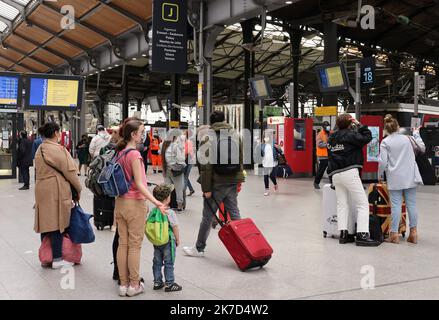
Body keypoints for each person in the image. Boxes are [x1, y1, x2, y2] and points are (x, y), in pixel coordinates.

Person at [114, 117, 167, 297]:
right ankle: (134, 285)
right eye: (142, 133)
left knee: (123, 243)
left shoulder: (120, 153)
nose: (143, 136)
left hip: (120, 202)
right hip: (134, 204)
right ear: (134, 135)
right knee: (135, 245)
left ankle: (123, 284)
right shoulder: (135, 155)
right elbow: (139, 184)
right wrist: (156, 202)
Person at [183, 111, 245, 257]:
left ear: (211, 123)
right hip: (232, 180)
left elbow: (206, 167)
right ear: (225, 120)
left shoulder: (208, 138)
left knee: (207, 217)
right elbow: (241, 159)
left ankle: (199, 248)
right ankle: (244, 246)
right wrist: (239, 180)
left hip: (216, 182)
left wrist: (206, 188)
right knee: (235, 214)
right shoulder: (236, 136)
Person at [327, 114, 380, 247]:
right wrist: (359, 124)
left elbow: (330, 157)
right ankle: (362, 235)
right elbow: (367, 137)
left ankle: (344, 234)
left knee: (342, 204)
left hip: (336, 175)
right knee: (362, 204)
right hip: (349, 172)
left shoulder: (331, 138)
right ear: (350, 123)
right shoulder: (350, 135)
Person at [34, 122, 82, 269]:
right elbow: (70, 172)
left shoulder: (40, 148)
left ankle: (46, 256)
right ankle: (57, 258)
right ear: (56, 132)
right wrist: (78, 189)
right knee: (57, 223)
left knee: (45, 222)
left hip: (42, 188)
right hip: (56, 189)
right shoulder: (58, 149)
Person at [378, 115, 423, 244]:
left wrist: (380, 175)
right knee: (412, 205)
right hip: (411, 176)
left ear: (385, 129)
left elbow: (382, 162)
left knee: (396, 206)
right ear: (398, 127)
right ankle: (413, 233)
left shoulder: (385, 142)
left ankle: (393, 234)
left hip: (395, 178)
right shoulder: (408, 138)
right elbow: (422, 147)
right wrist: (416, 133)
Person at [149, 184, 182, 292]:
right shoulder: (170, 212)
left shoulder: (154, 211)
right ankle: (169, 283)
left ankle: (157, 282)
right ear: (167, 199)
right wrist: (177, 239)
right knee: (169, 262)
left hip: (157, 241)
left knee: (157, 262)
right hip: (168, 241)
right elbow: (175, 227)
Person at [161, 132, 186, 212]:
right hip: (175, 171)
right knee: (179, 188)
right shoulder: (175, 146)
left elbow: (159, 152)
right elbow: (180, 159)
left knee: (167, 189)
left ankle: (167, 204)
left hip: (166, 169)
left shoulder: (163, 145)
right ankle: (179, 206)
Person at [314, 121, 331, 189]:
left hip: (329, 154)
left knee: (331, 168)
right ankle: (316, 182)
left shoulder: (328, 133)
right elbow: (319, 144)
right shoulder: (320, 134)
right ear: (323, 127)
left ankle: (332, 182)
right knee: (321, 169)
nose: (328, 127)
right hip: (322, 155)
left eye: (328, 126)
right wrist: (327, 145)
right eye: (327, 126)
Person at [183, 130, 195, 197]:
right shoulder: (186, 141)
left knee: (185, 176)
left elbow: (187, 151)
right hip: (187, 161)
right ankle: (191, 189)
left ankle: (183, 191)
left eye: (184, 133)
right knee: (185, 176)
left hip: (188, 161)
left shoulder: (188, 142)